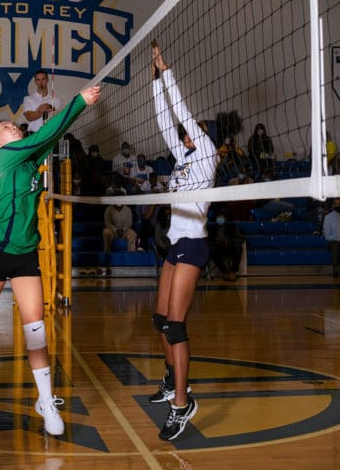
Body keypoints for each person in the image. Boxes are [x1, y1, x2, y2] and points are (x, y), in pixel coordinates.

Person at [0, 85, 101, 437]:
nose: (12, 127)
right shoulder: (5, 158)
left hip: (26, 253)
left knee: (36, 328)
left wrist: (76, 109)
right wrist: (79, 101)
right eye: (5, 128)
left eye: (14, 126)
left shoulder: (29, 158)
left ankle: (45, 400)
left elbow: (47, 136)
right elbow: (47, 130)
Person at [148, 40, 216, 441]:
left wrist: (166, 69)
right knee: (159, 321)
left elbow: (182, 112)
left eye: (197, 130)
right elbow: (163, 119)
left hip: (194, 244)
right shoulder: (183, 157)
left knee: (175, 326)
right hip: (176, 245)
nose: (191, 132)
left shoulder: (205, 153)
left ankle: (181, 403)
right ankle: (172, 380)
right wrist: (154, 79)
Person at [207, 207, 245, 281]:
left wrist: (231, 242)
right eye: (218, 216)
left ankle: (233, 271)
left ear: (226, 218)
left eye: (222, 216)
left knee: (238, 248)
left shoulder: (232, 226)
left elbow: (240, 238)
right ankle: (224, 271)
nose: (220, 218)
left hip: (230, 247)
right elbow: (209, 240)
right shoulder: (212, 227)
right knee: (211, 250)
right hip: (218, 248)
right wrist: (217, 243)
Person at [22, 69, 62, 134]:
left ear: (47, 80)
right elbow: (29, 117)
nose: (41, 82)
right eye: (38, 80)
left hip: (50, 134)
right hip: (34, 134)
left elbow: (58, 118)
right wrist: (41, 111)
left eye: (43, 79)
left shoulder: (56, 100)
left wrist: (50, 108)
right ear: (35, 82)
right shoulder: (28, 99)